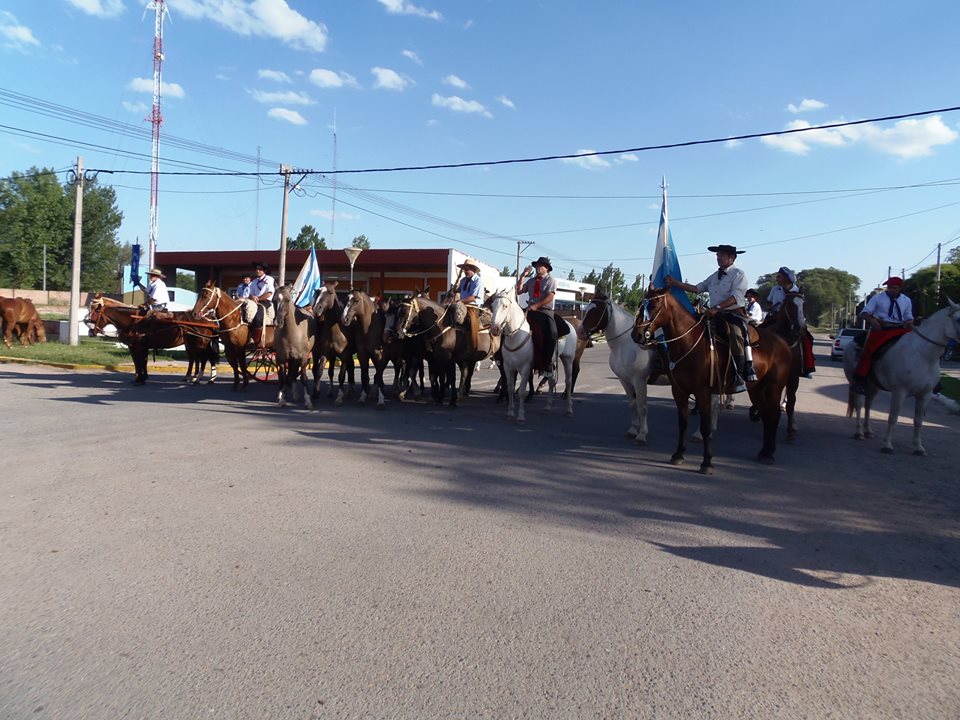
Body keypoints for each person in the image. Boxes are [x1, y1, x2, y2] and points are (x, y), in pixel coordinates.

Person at [665, 243, 755, 393]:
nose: (718, 257)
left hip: (733, 314)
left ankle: (740, 374)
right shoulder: (713, 276)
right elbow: (697, 288)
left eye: (721, 255)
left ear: (731, 258)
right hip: (714, 315)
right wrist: (675, 283)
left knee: (735, 334)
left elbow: (736, 297)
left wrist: (717, 308)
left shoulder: (739, 274)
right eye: (717, 255)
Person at [851, 276, 914, 393]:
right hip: (881, 329)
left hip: (900, 329)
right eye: (889, 287)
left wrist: (910, 321)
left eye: (894, 288)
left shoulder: (906, 300)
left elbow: (908, 315)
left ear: (900, 288)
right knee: (869, 350)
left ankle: (929, 380)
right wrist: (872, 320)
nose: (891, 290)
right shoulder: (878, 298)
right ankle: (861, 378)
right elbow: (864, 312)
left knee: (918, 346)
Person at [769, 267, 815, 377]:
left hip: (792, 319)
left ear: (786, 278)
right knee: (759, 331)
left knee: (807, 338)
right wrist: (772, 307)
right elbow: (769, 302)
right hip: (776, 317)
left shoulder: (797, 290)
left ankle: (807, 367)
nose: (777, 279)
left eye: (779, 277)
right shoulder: (775, 289)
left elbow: (801, 308)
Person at [516, 256, 558, 374]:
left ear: (547, 268)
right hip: (530, 309)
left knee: (551, 332)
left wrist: (537, 305)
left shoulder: (551, 280)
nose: (538, 268)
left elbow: (550, 296)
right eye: (537, 266)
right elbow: (518, 291)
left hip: (544, 310)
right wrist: (522, 276)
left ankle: (548, 362)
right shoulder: (531, 281)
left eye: (541, 266)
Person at [243, 262, 276, 343]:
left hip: (265, 302)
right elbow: (250, 294)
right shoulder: (254, 281)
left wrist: (258, 298)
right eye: (257, 269)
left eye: (260, 269)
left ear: (265, 271)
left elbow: (270, 293)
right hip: (253, 302)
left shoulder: (270, 279)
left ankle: (255, 340)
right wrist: (252, 297)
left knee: (257, 318)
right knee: (243, 314)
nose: (257, 271)